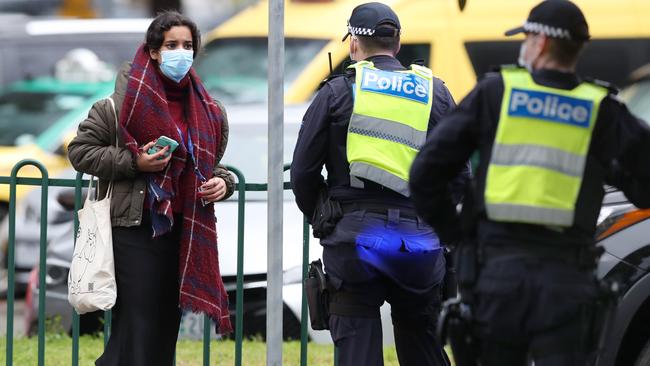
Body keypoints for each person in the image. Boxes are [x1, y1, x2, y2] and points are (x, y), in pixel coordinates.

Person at [409, 1, 650, 365]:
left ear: (539, 43)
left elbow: (426, 173)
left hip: (496, 278)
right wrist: (608, 172)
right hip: (566, 283)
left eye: (526, 38)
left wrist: (458, 235)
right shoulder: (601, 109)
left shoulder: (496, 94)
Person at [291, 3, 469, 365]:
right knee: (423, 341)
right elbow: (461, 175)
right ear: (398, 43)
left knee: (357, 346)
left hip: (355, 238)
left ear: (353, 42)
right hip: (419, 240)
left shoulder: (337, 92)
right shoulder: (434, 92)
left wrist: (325, 216)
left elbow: (303, 174)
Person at [68, 11, 234, 366]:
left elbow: (205, 166)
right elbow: (80, 151)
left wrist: (224, 181)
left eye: (187, 45)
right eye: (171, 44)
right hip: (135, 228)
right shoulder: (119, 105)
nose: (181, 52)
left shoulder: (208, 109)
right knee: (140, 320)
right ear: (154, 51)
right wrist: (135, 164)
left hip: (183, 230)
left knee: (163, 324)